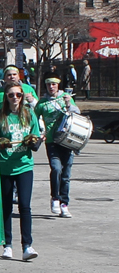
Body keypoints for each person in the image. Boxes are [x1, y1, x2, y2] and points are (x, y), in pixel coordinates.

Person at [0, 82, 41, 261]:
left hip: (24, 165)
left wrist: (34, 143)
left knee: (25, 205)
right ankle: (7, 245)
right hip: (4, 167)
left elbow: (36, 136)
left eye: (18, 95)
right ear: (6, 97)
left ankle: (27, 245)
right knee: (6, 207)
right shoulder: (0, 117)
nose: (15, 98)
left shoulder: (29, 114)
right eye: (11, 95)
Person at [35, 74, 81, 218]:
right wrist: (39, 133)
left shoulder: (66, 97)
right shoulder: (42, 103)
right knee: (56, 169)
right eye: (49, 84)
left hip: (67, 140)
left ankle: (64, 203)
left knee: (66, 175)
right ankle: (55, 197)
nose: (51, 87)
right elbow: (33, 118)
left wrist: (68, 104)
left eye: (54, 84)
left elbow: (77, 113)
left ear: (58, 85)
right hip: (51, 141)